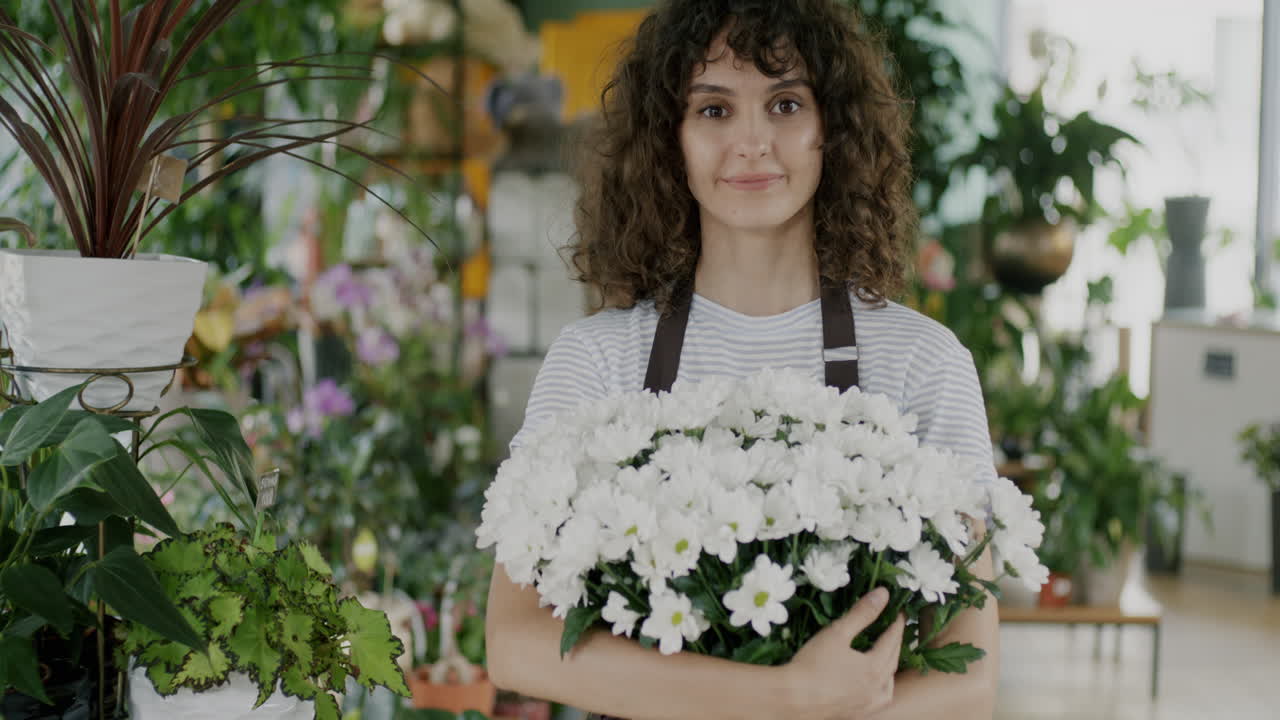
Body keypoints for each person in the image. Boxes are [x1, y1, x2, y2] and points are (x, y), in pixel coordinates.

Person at [484, 1, 1000, 717]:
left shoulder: (923, 363)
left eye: (786, 104)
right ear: (671, 138)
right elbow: (516, 642)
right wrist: (783, 696)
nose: (753, 142)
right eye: (715, 110)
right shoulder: (597, 360)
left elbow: (968, 678)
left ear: (834, 131)